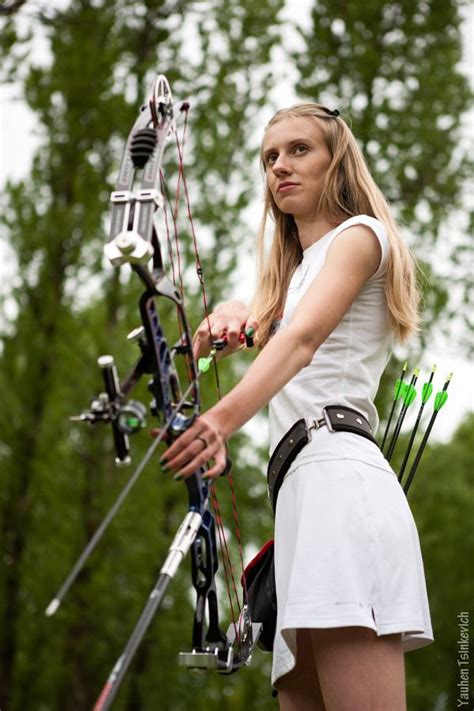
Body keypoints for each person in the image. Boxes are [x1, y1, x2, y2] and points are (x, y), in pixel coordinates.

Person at [161, 104, 433, 710]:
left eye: (299, 149)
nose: (280, 165)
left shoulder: (361, 236)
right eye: (269, 157)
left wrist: (218, 423)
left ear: (337, 161)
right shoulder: (301, 271)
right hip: (299, 499)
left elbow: (302, 340)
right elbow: (273, 328)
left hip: (340, 481)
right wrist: (236, 309)